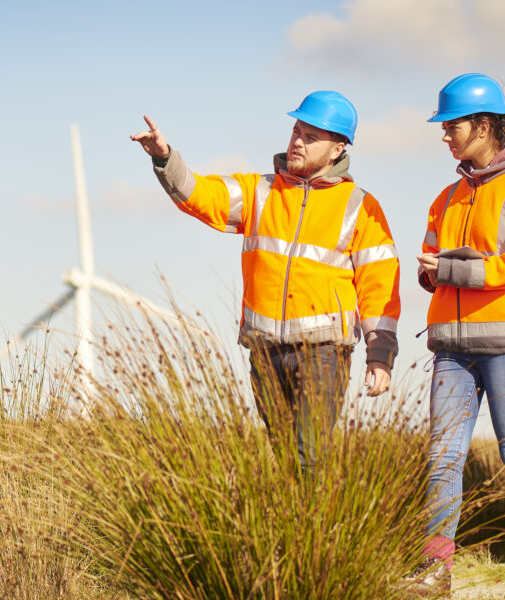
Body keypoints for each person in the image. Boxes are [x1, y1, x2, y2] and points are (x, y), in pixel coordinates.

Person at [130, 91, 401, 467]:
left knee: (308, 459)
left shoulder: (360, 206)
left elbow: (379, 284)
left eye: (311, 136)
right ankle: (296, 527)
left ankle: (311, 527)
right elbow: (199, 194)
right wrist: (164, 157)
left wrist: (380, 354)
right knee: (286, 458)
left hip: (323, 353)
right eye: (296, 131)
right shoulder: (259, 191)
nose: (297, 141)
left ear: (338, 149)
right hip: (265, 350)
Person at [406, 73, 505, 598]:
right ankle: (436, 572)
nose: (445, 135)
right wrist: (432, 272)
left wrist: (452, 271)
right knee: (441, 458)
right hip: (452, 346)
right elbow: (432, 263)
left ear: (483, 125)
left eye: (452, 125)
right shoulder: (446, 196)